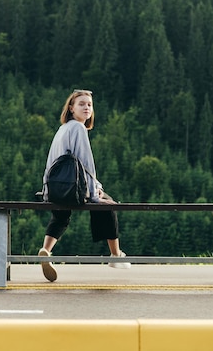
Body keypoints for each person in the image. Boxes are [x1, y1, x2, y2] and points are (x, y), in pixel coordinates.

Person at [38, 89, 130, 282]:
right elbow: (86, 164)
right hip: (72, 188)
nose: (87, 107)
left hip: (55, 189)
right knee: (107, 205)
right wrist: (96, 195)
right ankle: (116, 256)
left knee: (61, 215)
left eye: (89, 104)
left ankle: (45, 250)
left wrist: (47, 190)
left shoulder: (63, 128)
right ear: (71, 108)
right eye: (81, 104)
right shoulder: (78, 128)